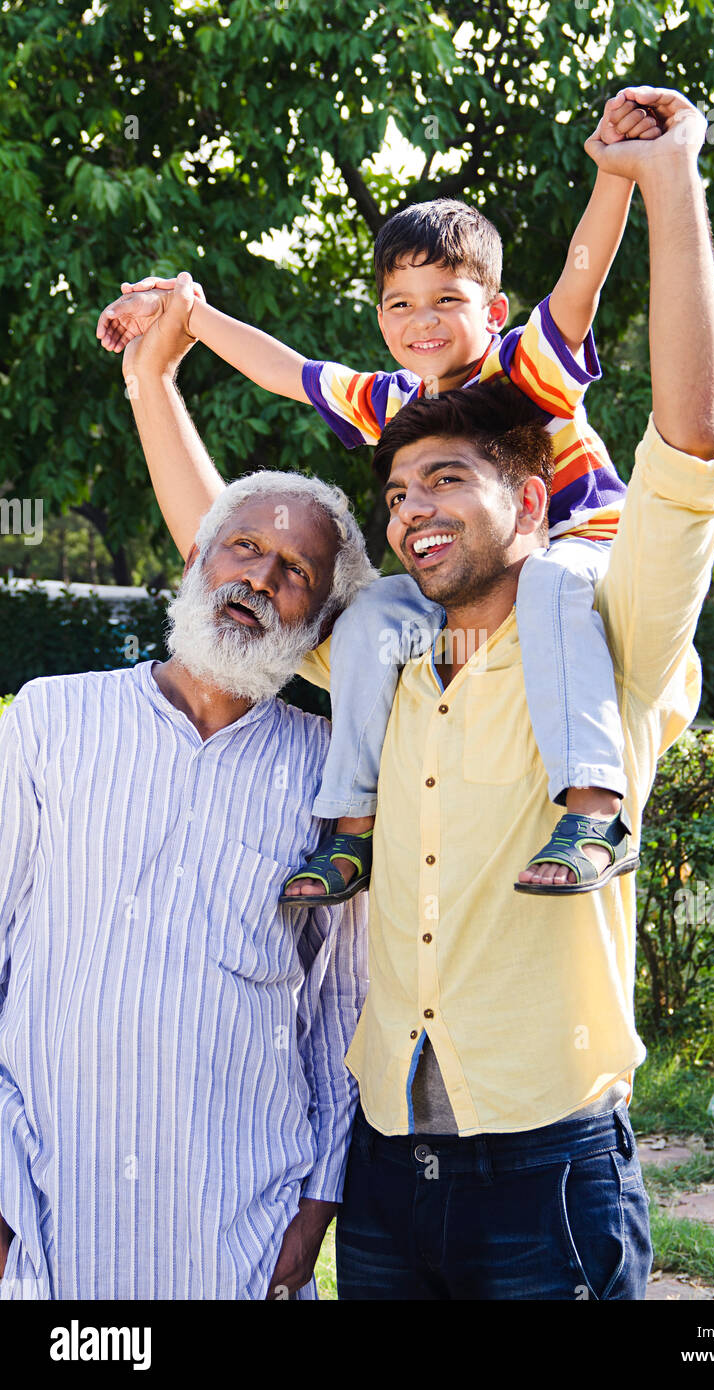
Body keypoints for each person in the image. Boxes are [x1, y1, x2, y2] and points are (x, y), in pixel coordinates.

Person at [119, 83, 714, 1300]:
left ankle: (590, 808)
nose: (412, 509)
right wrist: (164, 359)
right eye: (397, 493)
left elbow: (687, 440)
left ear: (528, 492)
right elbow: (232, 552)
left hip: (548, 1174)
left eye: (448, 480)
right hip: (388, 1165)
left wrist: (659, 181)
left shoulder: (612, 635)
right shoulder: (381, 652)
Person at [96, 93, 668, 903]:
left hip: (577, 551)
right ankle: (352, 831)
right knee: (372, 615)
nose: (421, 321)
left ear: (494, 311)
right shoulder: (393, 398)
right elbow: (286, 371)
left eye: (446, 301)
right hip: (469, 575)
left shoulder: (525, 369)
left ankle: (595, 812)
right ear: (380, 316)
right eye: (401, 304)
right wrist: (189, 313)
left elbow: (581, 281)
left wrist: (614, 175)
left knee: (548, 580)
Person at [0, 314, 376, 1299]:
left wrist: (316, 1207)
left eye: (294, 572)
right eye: (241, 548)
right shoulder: (50, 719)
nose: (258, 576)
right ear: (196, 558)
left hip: (233, 1221)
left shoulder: (337, 771)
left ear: (322, 621)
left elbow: (342, 1004)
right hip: (41, 1205)